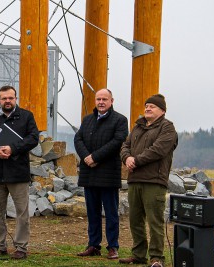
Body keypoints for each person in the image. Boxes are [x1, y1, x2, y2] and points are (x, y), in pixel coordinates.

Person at [0, 85, 39, 260]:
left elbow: (33, 138)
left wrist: (13, 148)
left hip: (18, 173)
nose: (7, 101)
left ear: (15, 99)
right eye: (4, 98)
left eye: (10, 98)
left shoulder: (26, 116)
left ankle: (21, 247)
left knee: (22, 213)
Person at [119, 94, 178, 267]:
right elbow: (125, 146)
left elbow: (158, 150)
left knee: (155, 221)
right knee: (135, 220)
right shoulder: (138, 127)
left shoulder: (168, 128)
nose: (147, 108)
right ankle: (138, 255)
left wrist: (135, 160)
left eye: (152, 106)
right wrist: (126, 158)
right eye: (146, 106)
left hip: (154, 181)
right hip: (134, 179)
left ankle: (156, 258)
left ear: (162, 110)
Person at [74, 89, 128, 260]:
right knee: (92, 212)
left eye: (105, 99)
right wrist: (86, 157)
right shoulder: (87, 119)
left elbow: (117, 141)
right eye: (98, 99)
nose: (101, 102)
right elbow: (78, 139)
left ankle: (113, 246)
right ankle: (93, 245)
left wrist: (95, 157)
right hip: (89, 173)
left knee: (111, 213)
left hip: (108, 174)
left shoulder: (120, 120)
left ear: (112, 100)